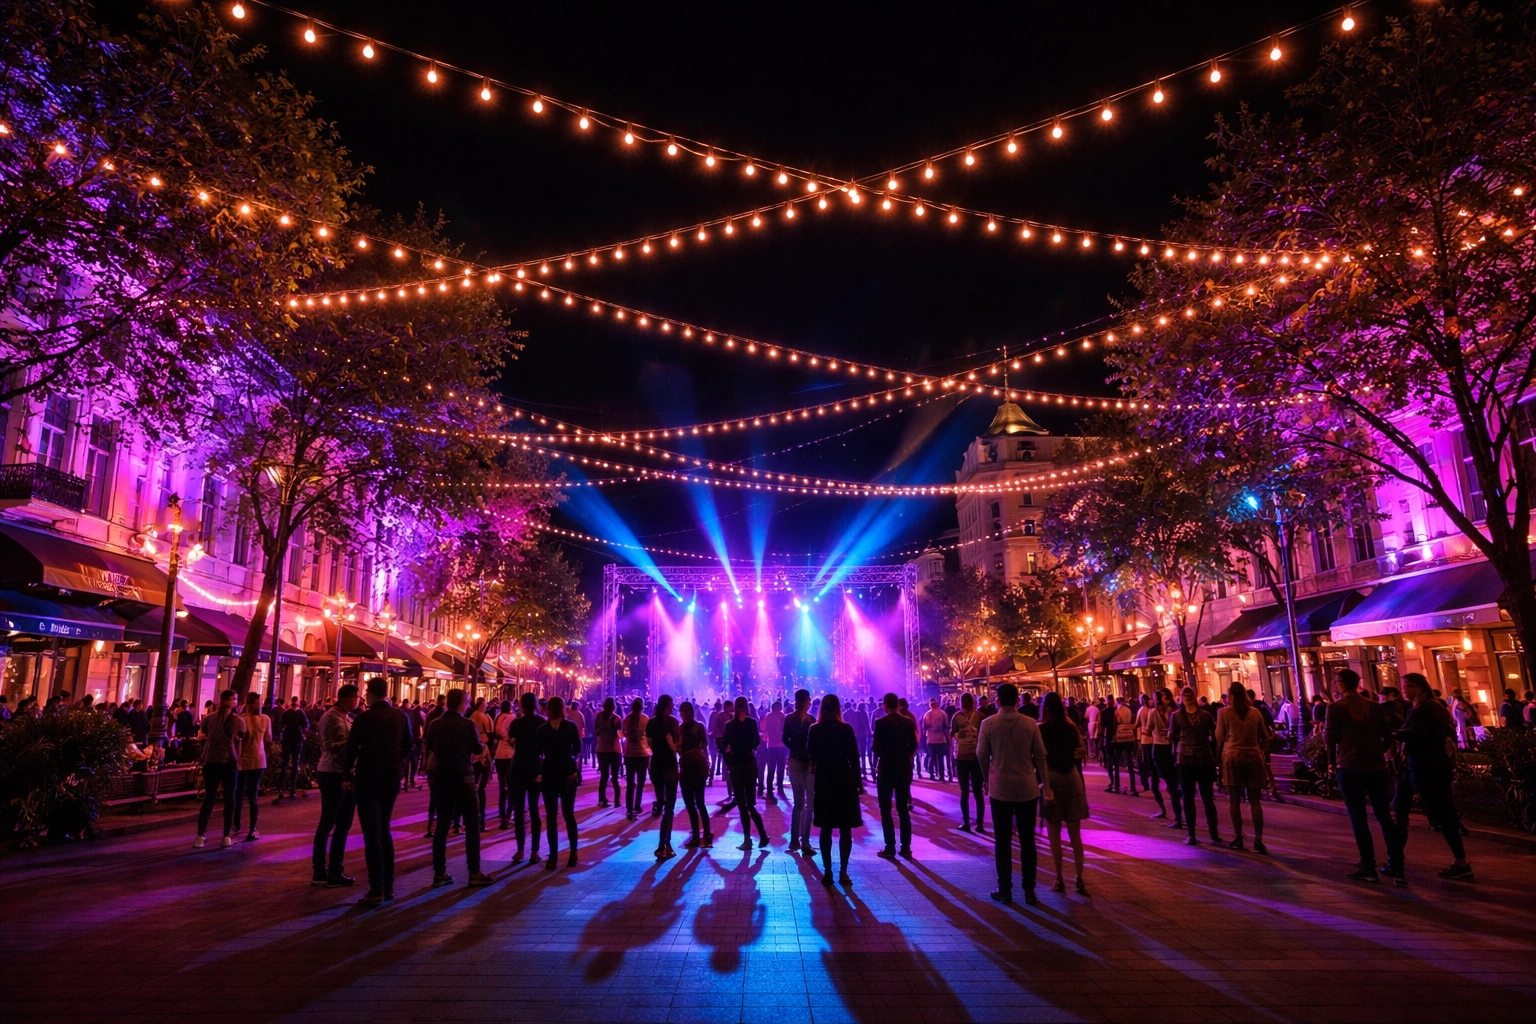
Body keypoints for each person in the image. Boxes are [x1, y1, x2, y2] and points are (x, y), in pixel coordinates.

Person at [1325, 668, 1403, 884]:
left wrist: (1331, 763)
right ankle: (1397, 867)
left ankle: (1368, 865)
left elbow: (1330, 739)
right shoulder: (1374, 707)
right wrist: (1381, 753)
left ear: (1341, 684)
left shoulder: (1336, 708)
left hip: (1350, 765)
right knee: (1384, 817)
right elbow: (1387, 736)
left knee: (1358, 818)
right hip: (1376, 767)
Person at [976, 683, 1051, 906]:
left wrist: (986, 778)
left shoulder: (988, 724)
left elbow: (981, 754)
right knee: (1028, 840)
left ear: (997, 700)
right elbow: (1041, 755)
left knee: (1002, 840)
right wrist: (1045, 783)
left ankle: (1005, 888)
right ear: (1017, 700)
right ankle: (1029, 889)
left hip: (1000, 788)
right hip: (1027, 787)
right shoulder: (1030, 724)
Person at [1395, 673, 1474, 882]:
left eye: (1409, 686)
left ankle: (1461, 861)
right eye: (1403, 686)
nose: (1405, 689)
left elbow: (1415, 733)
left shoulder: (1425, 709)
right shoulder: (1431, 708)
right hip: (1424, 767)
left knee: (1441, 813)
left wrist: (1392, 733)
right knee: (1407, 809)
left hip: (1425, 768)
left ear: (1421, 688)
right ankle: (1395, 859)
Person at [344, 676, 412, 904]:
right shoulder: (400, 716)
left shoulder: (364, 719)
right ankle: (389, 883)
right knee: (384, 828)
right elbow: (409, 745)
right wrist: (396, 761)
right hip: (391, 777)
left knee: (372, 833)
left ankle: (376, 887)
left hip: (368, 777)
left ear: (370, 694)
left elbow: (351, 749)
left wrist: (347, 775)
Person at [423, 688, 493, 887]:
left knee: (442, 825)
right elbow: (477, 748)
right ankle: (474, 871)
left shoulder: (435, 725)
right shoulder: (467, 724)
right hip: (463, 777)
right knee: (471, 824)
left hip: (441, 777)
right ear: (462, 703)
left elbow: (430, 748)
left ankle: (439, 873)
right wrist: (482, 744)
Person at [807, 693, 862, 887]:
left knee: (826, 827)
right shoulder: (846, 729)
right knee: (845, 828)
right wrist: (859, 783)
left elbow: (811, 754)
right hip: (843, 778)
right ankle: (844, 871)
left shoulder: (815, 729)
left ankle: (828, 871)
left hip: (824, 779)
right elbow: (854, 757)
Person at [1037, 692, 1089, 895]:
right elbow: (1081, 750)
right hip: (1072, 778)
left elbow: (1037, 756)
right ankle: (1079, 877)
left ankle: (1059, 878)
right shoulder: (1070, 727)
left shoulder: (1040, 729)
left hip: (1051, 780)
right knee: (1075, 835)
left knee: (1054, 835)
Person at [1215, 681, 1273, 854]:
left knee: (1234, 800)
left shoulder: (1224, 713)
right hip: (1254, 757)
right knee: (1255, 801)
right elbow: (1264, 735)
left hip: (1232, 757)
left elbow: (1219, 737)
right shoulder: (1255, 713)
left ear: (1230, 695)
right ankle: (1258, 839)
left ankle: (1238, 838)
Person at [312, 685, 358, 885]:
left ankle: (335, 871)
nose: (358, 701)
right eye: (356, 697)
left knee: (343, 824)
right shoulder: (333, 717)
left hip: (343, 773)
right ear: (347, 698)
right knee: (328, 822)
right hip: (332, 773)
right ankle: (320, 871)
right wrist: (354, 743)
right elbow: (330, 745)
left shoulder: (345, 716)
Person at [1169, 686, 1222, 845]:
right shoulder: (1203, 716)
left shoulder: (1178, 716)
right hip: (1199, 758)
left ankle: (1196, 833)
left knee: (1192, 797)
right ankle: (1207, 832)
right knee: (1203, 798)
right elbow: (1215, 737)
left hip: (1189, 759)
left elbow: (1171, 735)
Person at [194, 689, 245, 850]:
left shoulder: (209, 719)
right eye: (235, 699)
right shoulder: (238, 721)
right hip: (228, 762)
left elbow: (206, 735)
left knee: (209, 799)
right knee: (230, 800)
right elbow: (240, 741)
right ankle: (225, 836)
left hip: (211, 761)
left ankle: (201, 835)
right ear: (233, 701)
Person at [535, 696, 583, 869]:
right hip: (567, 772)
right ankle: (573, 854)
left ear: (547, 710)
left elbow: (538, 752)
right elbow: (577, 749)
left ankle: (553, 857)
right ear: (563, 709)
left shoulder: (542, 730)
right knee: (568, 814)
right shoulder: (570, 727)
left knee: (551, 816)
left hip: (549, 773)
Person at [871, 691, 918, 859]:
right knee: (902, 809)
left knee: (885, 809)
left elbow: (875, 748)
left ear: (884, 705)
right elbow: (914, 744)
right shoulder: (907, 722)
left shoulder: (880, 723)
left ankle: (889, 846)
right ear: (898, 705)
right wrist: (905, 756)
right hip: (903, 769)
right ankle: (906, 847)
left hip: (885, 769)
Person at [722, 696, 770, 850]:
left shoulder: (736, 724)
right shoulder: (748, 723)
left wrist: (732, 750)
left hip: (743, 764)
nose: (740, 708)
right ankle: (758, 836)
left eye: (741, 706)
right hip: (744, 764)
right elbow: (755, 742)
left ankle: (753, 838)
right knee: (747, 805)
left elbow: (726, 745)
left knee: (747, 805)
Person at [506, 692, 545, 863]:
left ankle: (520, 849)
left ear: (521, 705)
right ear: (536, 704)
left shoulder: (516, 723)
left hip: (519, 766)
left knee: (519, 810)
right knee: (535, 809)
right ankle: (535, 851)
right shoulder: (541, 723)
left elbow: (512, 742)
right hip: (535, 767)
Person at [1140, 689, 1182, 828]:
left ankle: (1164, 810)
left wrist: (1142, 729)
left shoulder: (1153, 712)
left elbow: (1148, 730)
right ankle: (1178, 816)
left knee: (1157, 780)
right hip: (1172, 748)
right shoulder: (1174, 712)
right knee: (1172, 782)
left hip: (1158, 747)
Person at [646, 694, 681, 859]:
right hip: (669, 766)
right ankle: (665, 843)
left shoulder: (651, 723)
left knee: (662, 803)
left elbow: (650, 744)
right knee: (670, 807)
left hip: (656, 766)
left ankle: (663, 844)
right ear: (668, 705)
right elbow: (677, 746)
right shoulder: (673, 722)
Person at [232, 691, 270, 841]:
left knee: (239, 792)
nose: (260, 704)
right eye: (258, 701)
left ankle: (237, 824)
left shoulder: (241, 720)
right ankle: (252, 828)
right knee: (252, 795)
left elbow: (236, 740)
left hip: (243, 760)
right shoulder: (265, 719)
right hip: (259, 759)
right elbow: (269, 738)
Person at [783, 688, 816, 856]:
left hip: (800, 761)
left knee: (805, 803)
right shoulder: (809, 720)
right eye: (808, 700)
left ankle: (799, 840)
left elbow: (785, 739)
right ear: (805, 701)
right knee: (803, 802)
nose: (810, 703)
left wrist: (794, 749)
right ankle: (800, 840)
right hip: (803, 762)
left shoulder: (796, 719)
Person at [677, 701, 715, 848]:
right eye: (681, 712)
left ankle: (705, 835)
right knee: (691, 804)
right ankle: (697, 835)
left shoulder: (698, 726)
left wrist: (706, 766)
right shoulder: (680, 729)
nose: (683, 715)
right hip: (687, 766)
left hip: (697, 766)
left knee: (699, 803)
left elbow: (704, 746)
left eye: (685, 712)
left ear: (690, 712)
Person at [952, 692, 986, 832]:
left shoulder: (957, 717)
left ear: (961, 703)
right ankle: (980, 824)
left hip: (962, 757)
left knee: (964, 791)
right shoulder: (980, 717)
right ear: (973, 702)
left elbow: (953, 736)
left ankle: (966, 822)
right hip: (976, 757)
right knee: (978, 792)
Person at [621, 698, 650, 822]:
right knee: (641, 782)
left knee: (630, 783)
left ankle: (629, 808)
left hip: (630, 753)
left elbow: (623, 734)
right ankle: (637, 805)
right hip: (643, 753)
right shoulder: (645, 719)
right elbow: (648, 736)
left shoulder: (627, 719)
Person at [276, 696, 308, 801]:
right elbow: (306, 726)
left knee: (284, 764)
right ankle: (292, 789)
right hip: (297, 740)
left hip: (287, 739)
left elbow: (281, 726)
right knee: (295, 764)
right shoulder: (300, 713)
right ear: (298, 703)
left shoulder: (286, 713)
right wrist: (304, 734)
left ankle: (281, 788)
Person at [469, 697, 494, 830]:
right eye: (484, 704)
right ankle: (480, 819)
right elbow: (490, 730)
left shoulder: (473, 716)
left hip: (476, 753)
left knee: (476, 784)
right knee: (480, 787)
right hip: (482, 752)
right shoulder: (480, 716)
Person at [593, 697, 623, 808]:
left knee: (604, 776)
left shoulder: (598, 716)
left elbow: (595, 732)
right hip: (614, 750)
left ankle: (602, 799)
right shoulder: (617, 719)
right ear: (614, 707)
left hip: (601, 749)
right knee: (615, 777)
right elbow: (619, 735)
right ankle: (616, 801)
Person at [492, 699, 517, 829]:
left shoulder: (498, 717)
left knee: (502, 785)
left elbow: (496, 732)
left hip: (499, 753)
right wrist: (510, 740)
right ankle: (509, 814)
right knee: (511, 785)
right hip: (509, 754)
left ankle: (502, 812)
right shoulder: (512, 718)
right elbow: (509, 734)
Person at [1109, 695, 1139, 795]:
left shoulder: (1117, 710)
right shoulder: (1128, 710)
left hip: (1120, 734)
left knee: (1117, 761)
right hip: (1129, 733)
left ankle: (1117, 784)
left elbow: (1117, 721)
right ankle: (1133, 785)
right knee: (1130, 760)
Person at [760, 699, 787, 803]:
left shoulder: (768, 716)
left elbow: (764, 729)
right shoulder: (782, 716)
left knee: (771, 768)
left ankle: (770, 788)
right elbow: (784, 729)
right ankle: (780, 786)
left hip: (771, 745)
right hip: (781, 745)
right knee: (781, 767)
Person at [921, 697, 951, 782]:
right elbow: (946, 727)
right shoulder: (943, 713)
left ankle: (932, 774)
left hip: (931, 739)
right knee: (940, 758)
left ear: (930, 704)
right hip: (941, 739)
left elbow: (924, 727)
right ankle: (941, 775)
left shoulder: (927, 714)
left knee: (932, 757)